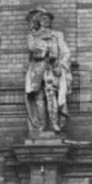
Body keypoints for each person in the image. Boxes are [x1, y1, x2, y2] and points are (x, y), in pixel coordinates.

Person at [24, 7, 71, 137]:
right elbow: (33, 49)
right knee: (39, 98)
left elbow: (65, 52)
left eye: (48, 18)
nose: (46, 21)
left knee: (52, 96)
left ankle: (55, 124)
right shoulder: (32, 36)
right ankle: (41, 126)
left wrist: (60, 66)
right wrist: (46, 51)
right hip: (37, 71)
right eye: (43, 19)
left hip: (52, 70)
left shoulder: (57, 35)